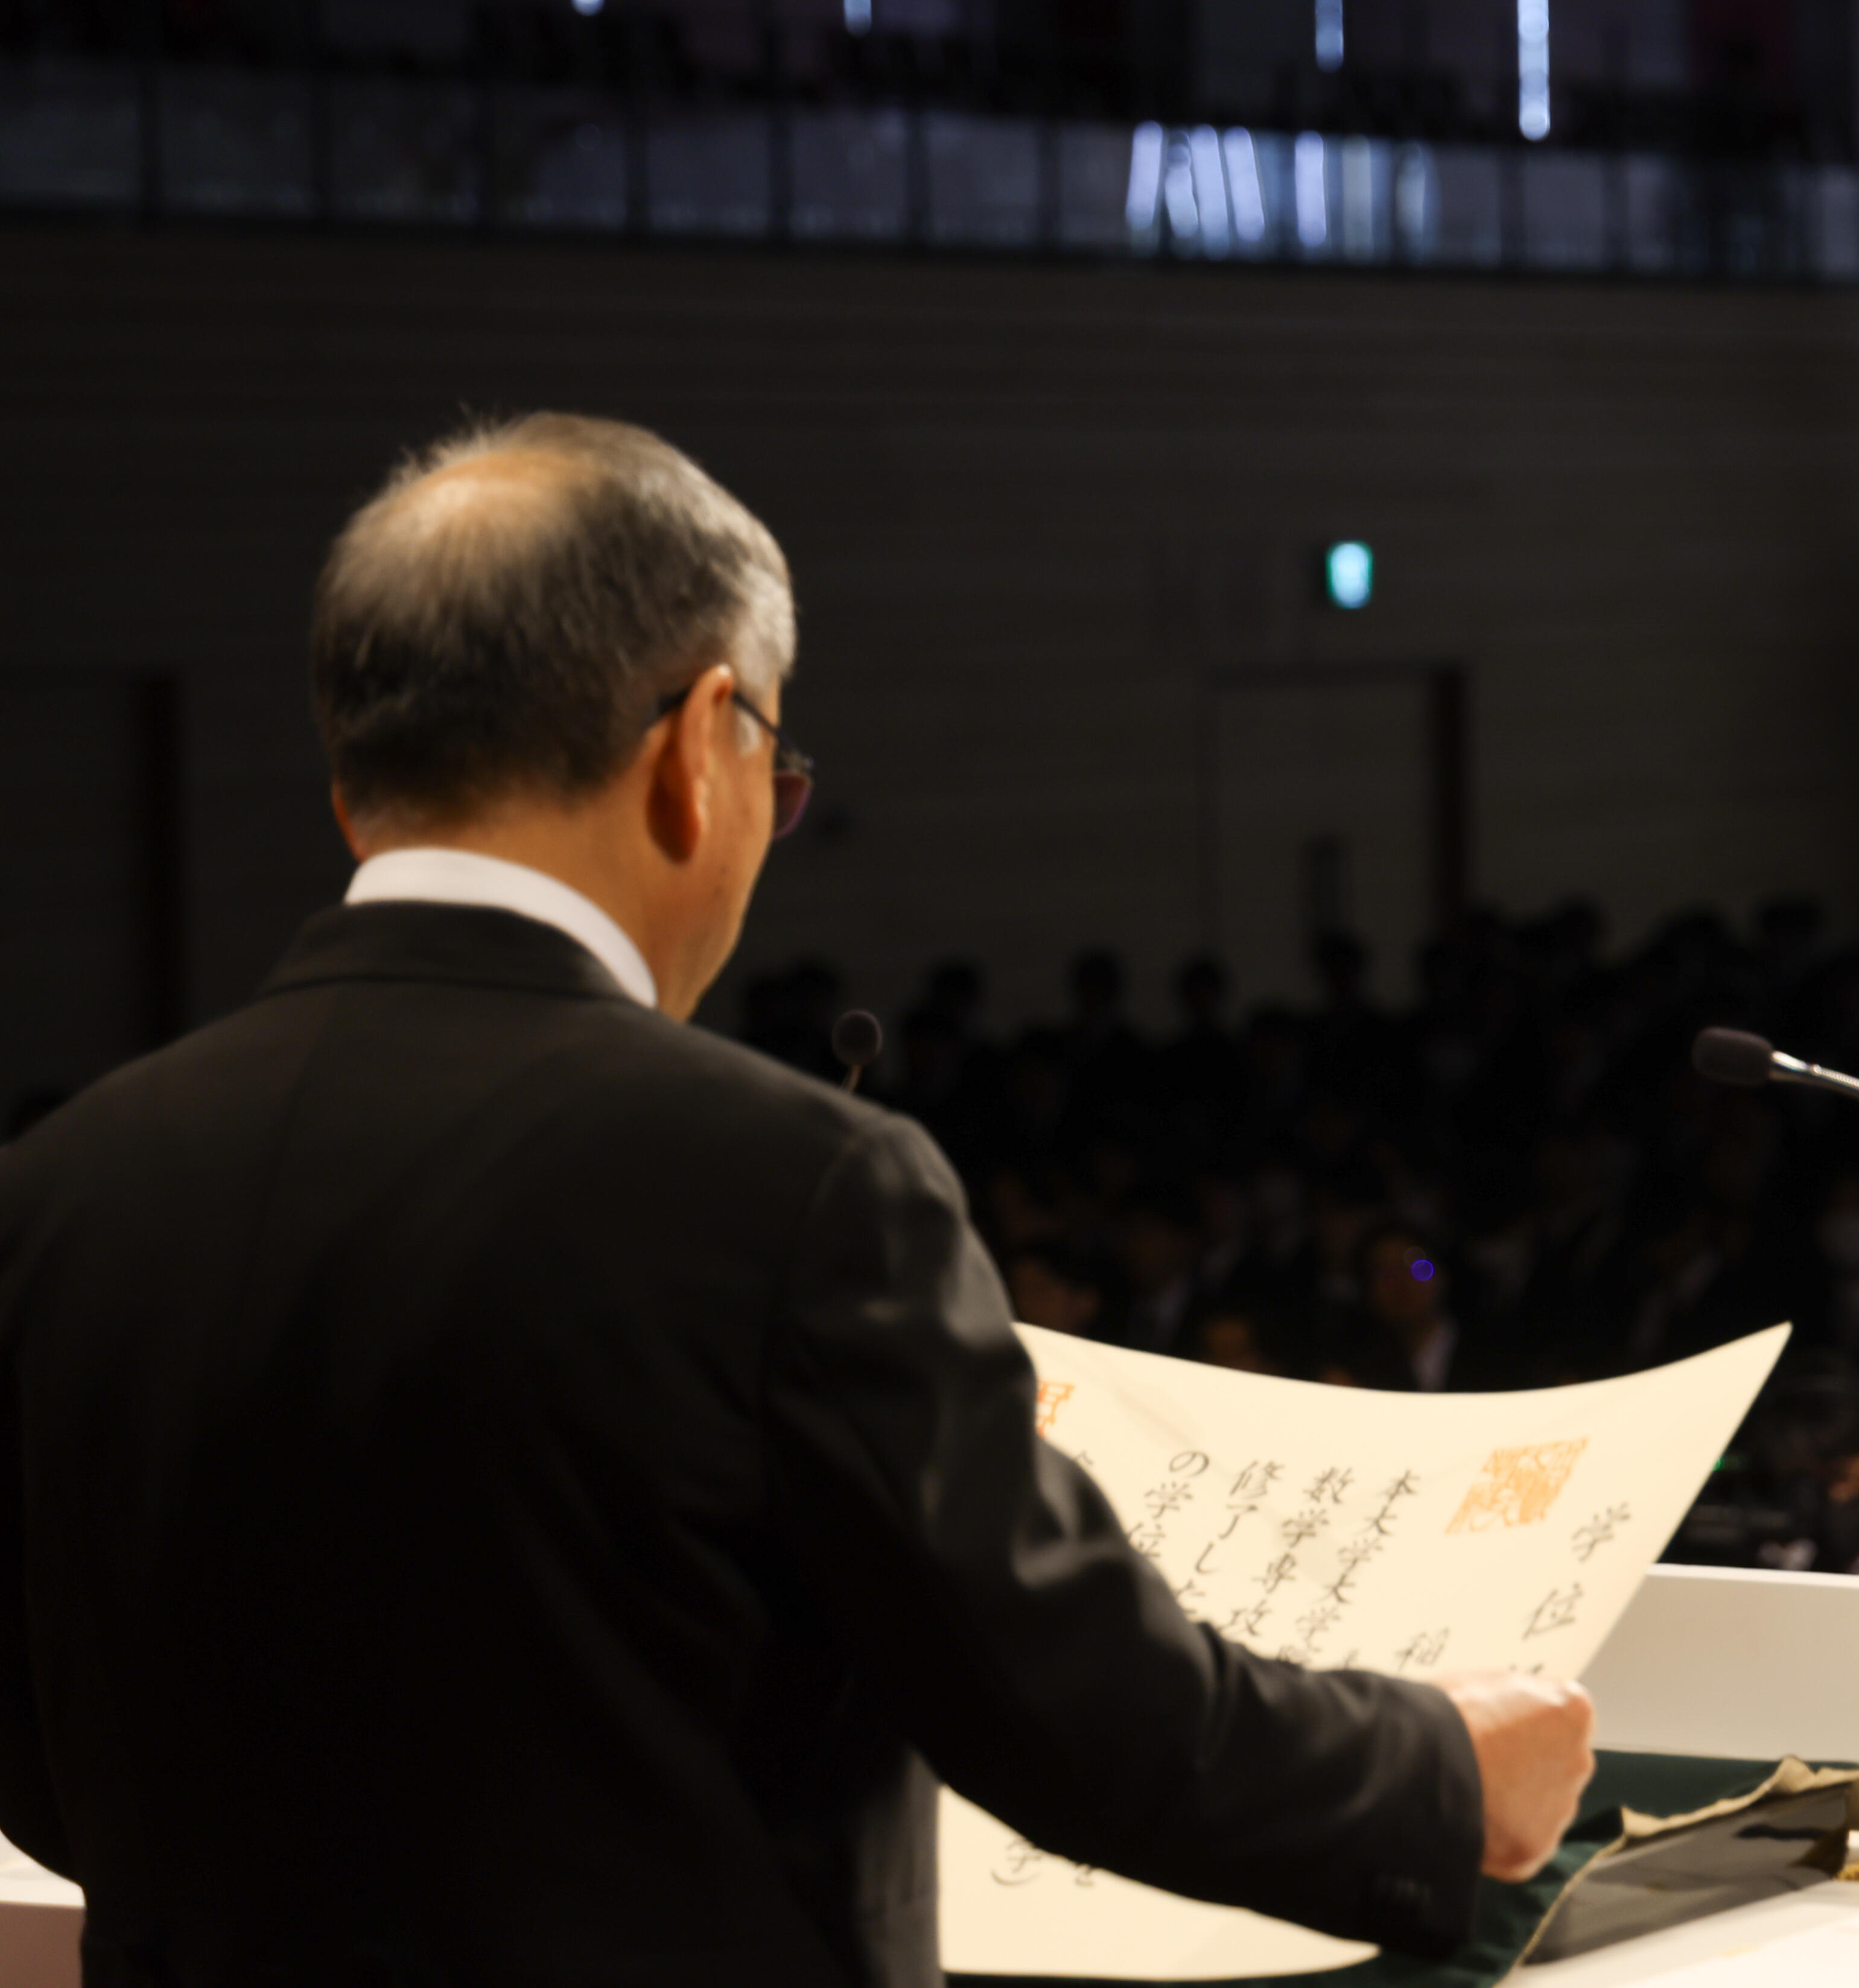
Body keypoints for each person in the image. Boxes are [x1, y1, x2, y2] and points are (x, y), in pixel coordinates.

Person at [0, 416, 1595, 1983]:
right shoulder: (801, 1187)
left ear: (356, 793)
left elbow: (45, 1762)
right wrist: (1444, 1771)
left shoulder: (59, 1189)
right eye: (779, 753)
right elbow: (1090, 1728)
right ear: (704, 747)